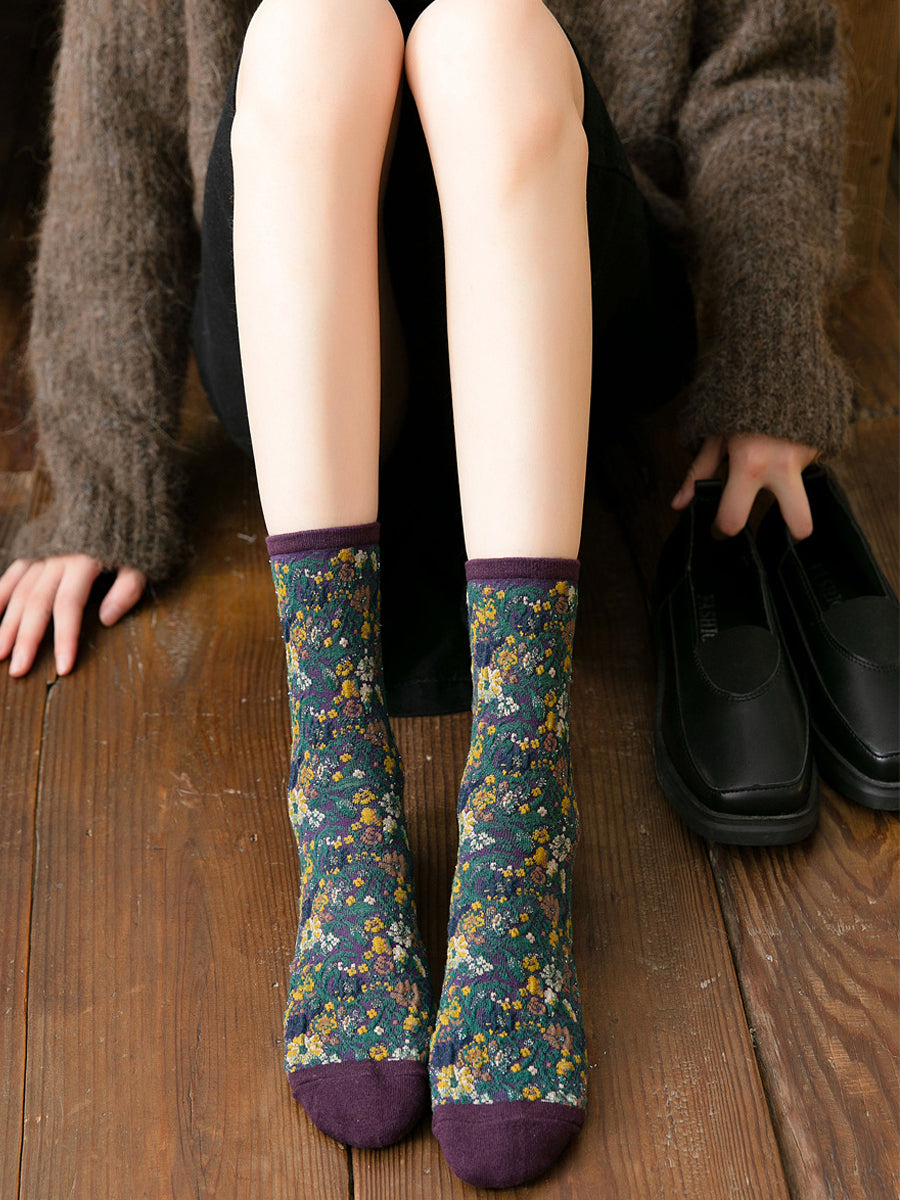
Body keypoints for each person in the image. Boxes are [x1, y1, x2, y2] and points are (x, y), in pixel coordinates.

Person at [0, 0, 853, 1187]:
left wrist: (765, 351)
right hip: (300, 339)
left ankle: (521, 815)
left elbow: (766, 65)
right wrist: (100, 477)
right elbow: (118, 109)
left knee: (483, 35)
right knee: (313, 28)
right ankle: (341, 797)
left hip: (575, 304)